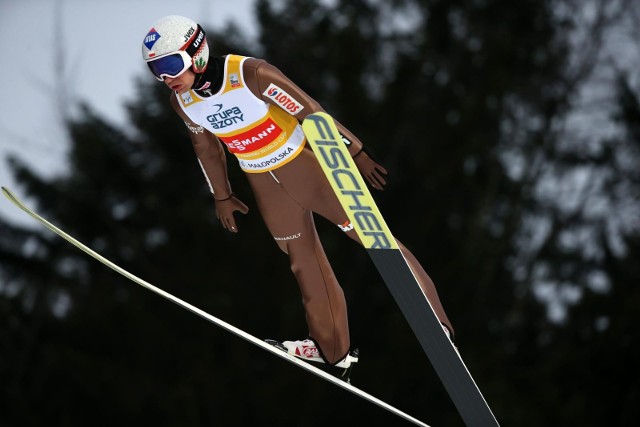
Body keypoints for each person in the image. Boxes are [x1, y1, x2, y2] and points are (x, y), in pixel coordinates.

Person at [141, 15, 454, 380]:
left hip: (304, 167)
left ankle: (435, 321)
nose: (166, 78)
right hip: (262, 180)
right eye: (156, 71)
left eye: (169, 65)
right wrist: (222, 195)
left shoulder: (250, 73)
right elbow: (206, 149)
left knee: (371, 235)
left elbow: (309, 111)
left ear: (196, 53)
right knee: (301, 259)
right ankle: (330, 348)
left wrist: (355, 151)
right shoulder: (184, 103)